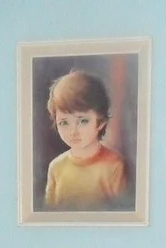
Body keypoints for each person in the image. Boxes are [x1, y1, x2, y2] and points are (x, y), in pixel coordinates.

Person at [43, 70, 128, 211]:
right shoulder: (56, 168)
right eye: (64, 123)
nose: (73, 131)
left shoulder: (114, 165)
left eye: (83, 121)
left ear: (100, 122)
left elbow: (123, 213)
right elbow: (47, 214)